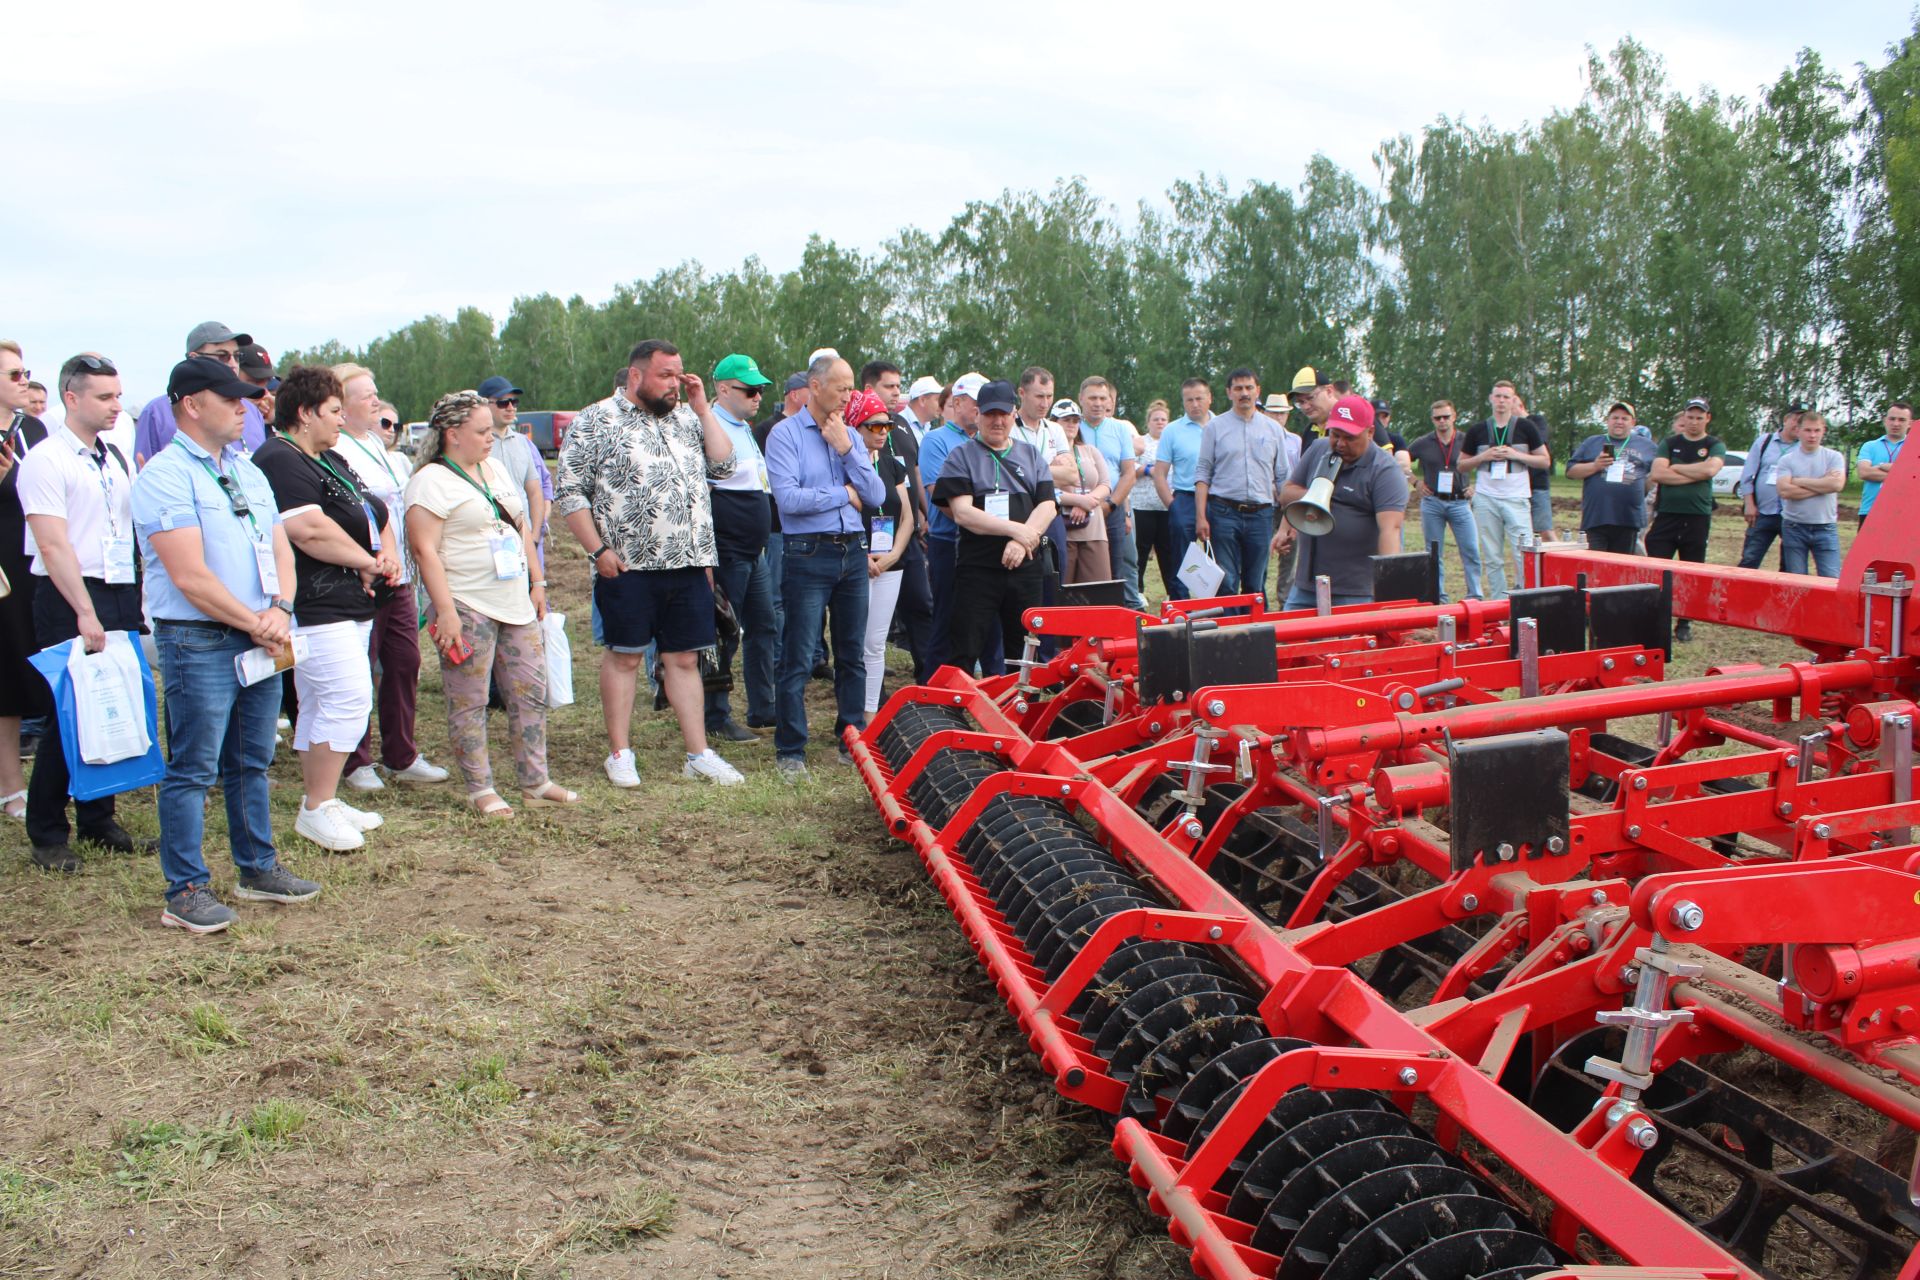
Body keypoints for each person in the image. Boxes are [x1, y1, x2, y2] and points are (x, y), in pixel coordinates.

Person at [131, 357, 318, 935]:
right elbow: (189, 576)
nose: (246, 406)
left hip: (259, 634)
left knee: (251, 761)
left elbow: (279, 546)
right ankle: (184, 889)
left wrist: (280, 609)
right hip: (199, 639)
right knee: (193, 768)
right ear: (191, 404)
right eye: (231, 397)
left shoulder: (245, 469)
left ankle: (257, 868)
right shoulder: (164, 476)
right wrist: (256, 621)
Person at [557, 339, 745, 788]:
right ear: (637, 376)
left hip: (687, 562)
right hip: (626, 566)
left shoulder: (686, 418)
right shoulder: (596, 420)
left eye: (680, 375)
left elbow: (725, 467)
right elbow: (570, 492)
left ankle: (698, 753)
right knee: (623, 657)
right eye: (666, 375)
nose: (676, 384)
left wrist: (703, 410)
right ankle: (620, 753)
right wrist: (598, 551)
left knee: (684, 658)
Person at [406, 390, 578, 817]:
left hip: (515, 599)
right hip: (465, 603)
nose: (491, 437)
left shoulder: (496, 468)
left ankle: (535, 780)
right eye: (482, 431)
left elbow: (520, 524)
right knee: (470, 699)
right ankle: (480, 786)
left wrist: (538, 582)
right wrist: (444, 610)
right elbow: (424, 550)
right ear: (452, 434)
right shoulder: (430, 481)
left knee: (531, 690)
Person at [253, 366, 402, 851]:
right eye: (335, 411)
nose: (342, 420)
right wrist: (367, 561)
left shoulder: (328, 456)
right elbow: (307, 530)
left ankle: (324, 799)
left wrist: (380, 554)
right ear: (305, 412)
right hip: (315, 605)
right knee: (347, 699)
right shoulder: (280, 458)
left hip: (350, 601)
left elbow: (370, 509)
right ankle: (316, 806)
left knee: (325, 702)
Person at [18, 353, 145, 869]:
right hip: (70, 592)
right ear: (71, 398)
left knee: (107, 705)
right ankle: (48, 831)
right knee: (65, 714)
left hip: (116, 587)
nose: (117, 406)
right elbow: (53, 545)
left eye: (118, 396)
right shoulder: (47, 460)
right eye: (104, 397)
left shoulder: (110, 455)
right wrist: (84, 612)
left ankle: (98, 819)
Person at [766, 356, 884, 781]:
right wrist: (842, 493)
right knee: (797, 654)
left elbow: (873, 493)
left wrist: (847, 450)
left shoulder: (850, 435)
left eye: (851, 388)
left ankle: (849, 739)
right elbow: (789, 500)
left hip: (852, 552)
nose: (848, 396)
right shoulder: (784, 436)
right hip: (807, 552)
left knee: (852, 653)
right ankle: (791, 749)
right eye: (840, 388)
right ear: (814, 387)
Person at [329, 363, 444, 791]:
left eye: (376, 393)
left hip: (398, 576)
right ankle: (355, 759)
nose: (376, 401)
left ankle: (401, 753)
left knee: (404, 660)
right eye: (366, 396)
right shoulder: (336, 449)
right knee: (361, 666)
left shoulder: (378, 447)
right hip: (359, 574)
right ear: (341, 404)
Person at [932, 380, 1057, 675]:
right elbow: (962, 512)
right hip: (979, 569)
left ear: (1014, 414)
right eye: (990, 414)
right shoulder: (961, 456)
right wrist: (1016, 531)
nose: (997, 421)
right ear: (977, 415)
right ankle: (956, 711)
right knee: (965, 645)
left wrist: (1023, 541)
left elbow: (1048, 505)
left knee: (1025, 648)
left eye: (1003, 413)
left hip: (1025, 568)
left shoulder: (1031, 455)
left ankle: (1021, 711)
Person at [705, 354, 778, 741]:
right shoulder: (710, 425)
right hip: (727, 548)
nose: (758, 397)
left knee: (764, 625)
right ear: (723, 389)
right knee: (725, 631)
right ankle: (715, 716)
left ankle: (762, 706)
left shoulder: (742, 427)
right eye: (750, 390)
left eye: (761, 390)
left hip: (754, 550)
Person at [1279, 395, 1408, 609]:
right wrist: (1318, 494)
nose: (1339, 444)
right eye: (1335, 435)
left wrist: (1387, 592)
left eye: (1349, 437)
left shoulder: (1385, 471)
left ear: (1370, 432)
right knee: (1291, 640)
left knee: (1353, 643)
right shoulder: (1318, 449)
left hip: (1355, 590)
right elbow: (1286, 493)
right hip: (1306, 586)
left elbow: (1390, 530)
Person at [0, 340, 53, 821]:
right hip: (1, 566)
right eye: (14, 374)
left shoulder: (33, 429)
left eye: (24, 373)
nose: (24, 382)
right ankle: (10, 786)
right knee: (5, 675)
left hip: (35, 558)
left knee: (36, 664)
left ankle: (51, 781)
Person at [1195, 368, 1298, 602]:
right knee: (1226, 580)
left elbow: (1283, 477)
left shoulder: (1273, 430)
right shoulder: (1214, 428)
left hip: (1261, 514)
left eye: (1249, 388)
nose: (1244, 393)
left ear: (1257, 391)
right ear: (1228, 392)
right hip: (1223, 512)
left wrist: (1290, 520)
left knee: (1256, 582)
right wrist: (1201, 516)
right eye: (1238, 388)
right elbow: (1203, 473)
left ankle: (1254, 633)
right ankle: (1228, 634)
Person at [862, 359, 934, 684]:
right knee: (867, 627)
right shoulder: (857, 433)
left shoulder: (902, 425)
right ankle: (868, 696)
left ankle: (928, 676)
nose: (896, 393)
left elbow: (914, 473)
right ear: (869, 389)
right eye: (889, 386)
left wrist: (924, 513)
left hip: (904, 535)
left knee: (921, 603)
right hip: (868, 544)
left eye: (898, 386)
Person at [921, 373, 988, 672]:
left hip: (985, 541)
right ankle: (932, 691)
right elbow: (940, 496)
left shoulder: (989, 440)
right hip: (950, 541)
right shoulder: (936, 440)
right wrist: (980, 522)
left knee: (988, 620)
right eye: (977, 403)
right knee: (947, 619)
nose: (981, 410)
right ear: (958, 402)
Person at [851, 394, 914, 714]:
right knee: (854, 643)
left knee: (875, 643)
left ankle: (870, 712)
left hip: (890, 563)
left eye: (886, 424)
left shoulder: (891, 464)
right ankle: (850, 713)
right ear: (855, 426)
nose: (882, 431)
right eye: (873, 425)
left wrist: (893, 554)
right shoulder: (845, 463)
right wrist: (860, 556)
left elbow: (908, 517)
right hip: (854, 562)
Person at [1647, 397, 1727, 642]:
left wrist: (1677, 468)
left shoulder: (1714, 444)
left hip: (1697, 517)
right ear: (1684, 417)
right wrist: (1695, 472)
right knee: (1658, 568)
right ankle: (1656, 620)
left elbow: (1710, 470)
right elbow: (1658, 473)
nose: (1693, 422)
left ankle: (1684, 623)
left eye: (1699, 417)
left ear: (1707, 418)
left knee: (1691, 570)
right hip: (1667, 515)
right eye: (1690, 417)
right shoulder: (1670, 443)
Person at [134, 322, 268, 465]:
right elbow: (144, 467)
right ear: (194, 357)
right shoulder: (157, 412)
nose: (233, 363)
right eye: (222, 355)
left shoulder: (252, 411)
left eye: (237, 356)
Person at [1460, 380, 1547, 599]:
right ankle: (1498, 603)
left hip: (1516, 498)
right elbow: (1461, 465)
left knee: (1523, 553)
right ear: (1491, 399)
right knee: (1492, 555)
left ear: (1513, 400)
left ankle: (1524, 599)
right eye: (1498, 396)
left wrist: (1515, 455)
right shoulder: (1478, 430)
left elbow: (1545, 461)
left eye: (1506, 397)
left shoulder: (1526, 427)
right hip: (1486, 498)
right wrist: (1484, 457)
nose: (1501, 401)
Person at [1407, 399, 1484, 599]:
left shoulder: (1466, 441)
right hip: (1432, 502)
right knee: (1433, 553)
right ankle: (1438, 597)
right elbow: (1400, 463)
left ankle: (1475, 595)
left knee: (1471, 550)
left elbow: (1487, 463)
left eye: (1446, 417)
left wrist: (1477, 487)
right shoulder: (1422, 443)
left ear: (1454, 417)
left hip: (1460, 502)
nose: (1442, 421)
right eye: (1437, 418)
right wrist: (1415, 483)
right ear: (1432, 420)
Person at [1079, 377, 1143, 607]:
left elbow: (1128, 473)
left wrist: (1112, 505)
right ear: (1081, 399)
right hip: (1081, 507)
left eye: (1102, 398)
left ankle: (1121, 618)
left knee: (1120, 565)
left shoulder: (1119, 429)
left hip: (1113, 507)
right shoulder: (1072, 427)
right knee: (1086, 566)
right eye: (1092, 398)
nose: (1098, 403)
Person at [1565, 401, 1657, 555]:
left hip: (1628, 518)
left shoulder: (1648, 446)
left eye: (1624, 418)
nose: (1619, 422)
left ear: (1633, 423)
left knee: (1621, 569)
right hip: (1596, 517)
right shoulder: (1592, 443)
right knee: (1594, 567)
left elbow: (1657, 474)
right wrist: (1595, 466)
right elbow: (1571, 471)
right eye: (1615, 418)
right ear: (1608, 420)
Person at [476, 375, 549, 563]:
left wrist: (534, 537)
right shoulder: (474, 445)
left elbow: (535, 492)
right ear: (484, 405)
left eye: (514, 402)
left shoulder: (523, 443)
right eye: (503, 403)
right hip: (489, 542)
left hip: (526, 539)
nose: (510, 407)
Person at [1774, 410, 1846, 577]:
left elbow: (1836, 484)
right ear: (1798, 431)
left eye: (1816, 430)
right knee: (1796, 580)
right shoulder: (1787, 460)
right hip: (1794, 526)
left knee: (1831, 579)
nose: (1812, 435)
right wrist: (1822, 485)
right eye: (1807, 430)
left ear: (1824, 431)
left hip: (1825, 526)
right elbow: (1784, 490)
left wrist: (1798, 481)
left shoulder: (1833, 457)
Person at [1159, 377, 1213, 597]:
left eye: (1199, 398)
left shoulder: (1220, 426)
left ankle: (1216, 606)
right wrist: (1172, 506)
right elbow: (1160, 474)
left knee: (1215, 556)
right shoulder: (1172, 431)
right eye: (1189, 400)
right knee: (1181, 559)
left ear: (1209, 398)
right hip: (1184, 498)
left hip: (1217, 498)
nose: (1194, 404)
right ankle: (1180, 606)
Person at [1735, 402, 1804, 569]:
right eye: (1796, 419)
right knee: (1750, 559)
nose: (1799, 425)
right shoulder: (1764, 441)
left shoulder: (1805, 448)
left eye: (1803, 422)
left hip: (1791, 514)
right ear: (1786, 419)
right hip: (1762, 512)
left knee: (1789, 565)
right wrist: (1749, 504)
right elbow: (1747, 476)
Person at [1049, 399, 1111, 584]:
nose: (1071, 424)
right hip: (1061, 528)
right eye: (1066, 419)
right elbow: (1043, 487)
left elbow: (1105, 484)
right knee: (1062, 590)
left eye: (1075, 420)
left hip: (1093, 528)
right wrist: (1077, 500)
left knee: (1098, 590)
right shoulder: (1046, 452)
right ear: (1053, 423)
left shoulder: (1090, 451)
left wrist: (1086, 502)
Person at [1133, 399, 1175, 599]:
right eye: (1156, 419)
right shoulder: (1141, 442)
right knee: (1140, 549)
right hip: (1142, 505)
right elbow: (1129, 466)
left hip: (1166, 505)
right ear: (1148, 422)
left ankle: (1171, 591)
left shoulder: (1173, 441)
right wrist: (1147, 469)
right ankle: (1138, 589)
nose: (1160, 422)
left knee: (1167, 551)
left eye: (1163, 419)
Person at [1858, 401, 1911, 525]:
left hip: (1906, 511)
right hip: (1871, 510)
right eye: (1892, 419)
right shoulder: (1870, 446)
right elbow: (1864, 472)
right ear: (1885, 420)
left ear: (1910, 423)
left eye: (1901, 420)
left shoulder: (1916, 448)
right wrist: (1905, 474)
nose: (1896, 423)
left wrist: (1882, 466)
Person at [903, 376, 943, 442]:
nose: (941, 404)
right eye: (937, 399)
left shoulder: (927, 425)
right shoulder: (899, 424)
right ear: (922, 400)